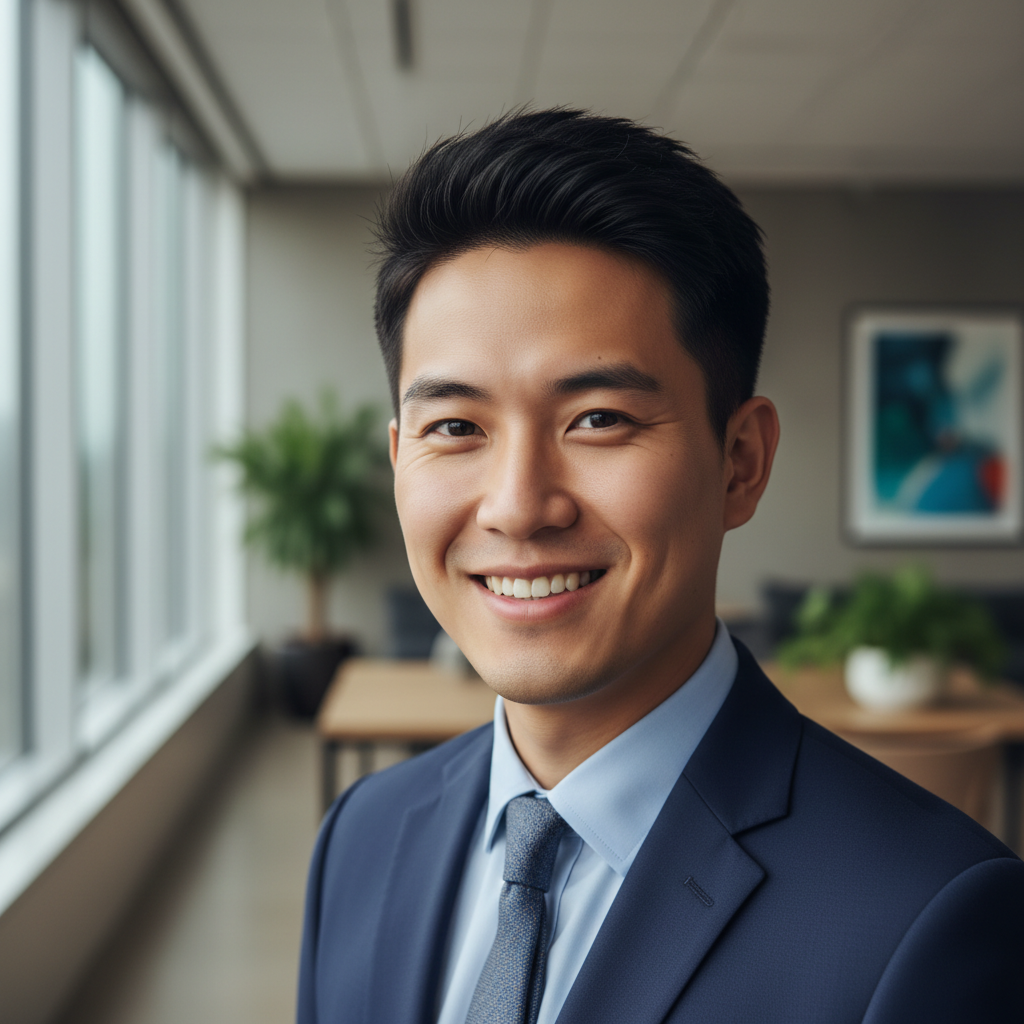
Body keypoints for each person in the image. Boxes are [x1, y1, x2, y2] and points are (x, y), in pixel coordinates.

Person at [297, 110, 1024, 1024]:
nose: (518, 505)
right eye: (455, 427)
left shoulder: (927, 919)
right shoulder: (359, 838)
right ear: (400, 456)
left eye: (598, 419)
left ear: (741, 463)